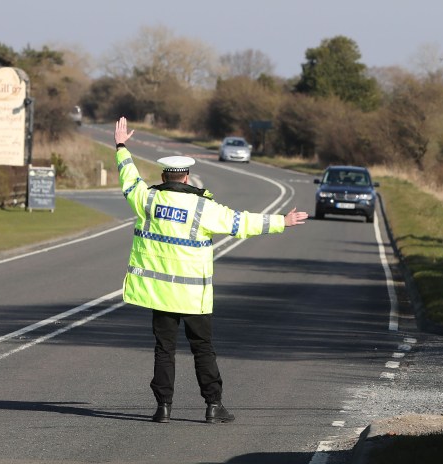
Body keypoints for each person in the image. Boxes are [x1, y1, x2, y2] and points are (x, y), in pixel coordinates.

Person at [114, 116, 308, 424]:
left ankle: (163, 407)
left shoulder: (148, 200)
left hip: (159, 294)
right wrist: (282, 222)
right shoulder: (203, 208)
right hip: (193, 297)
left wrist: (121, 147)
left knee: (164, 350)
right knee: (202, 349)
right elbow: (241, 223)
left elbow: (129, 179)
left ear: (165, 176)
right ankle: (213, 405)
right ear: (188, 177)